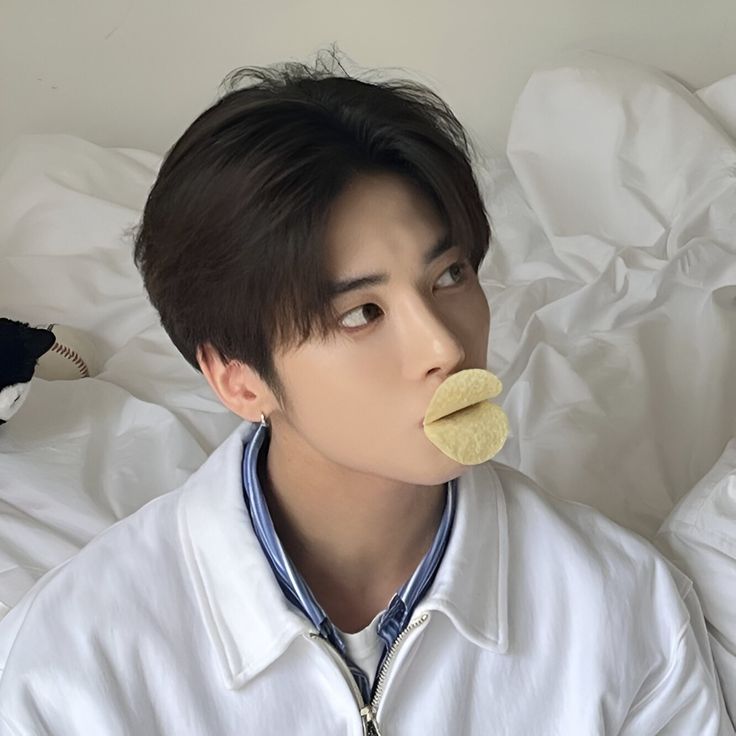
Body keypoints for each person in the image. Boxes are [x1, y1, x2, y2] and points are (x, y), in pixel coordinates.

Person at [0, 46, 732, 735]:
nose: (445, 346)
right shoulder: (70, 665)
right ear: (238, 379)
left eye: (449, 276)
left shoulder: (623, 606)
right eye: (362, 314)